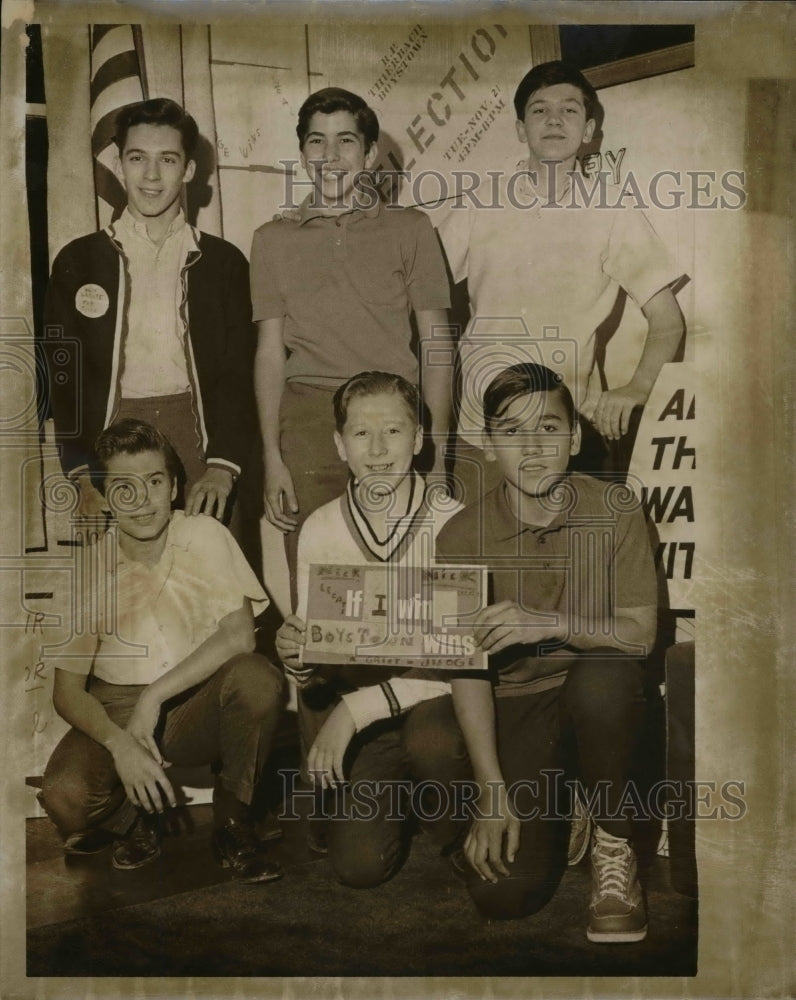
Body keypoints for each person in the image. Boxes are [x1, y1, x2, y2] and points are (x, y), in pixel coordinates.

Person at [434, 363, 658, 941]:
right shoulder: (460, 535)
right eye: (512, 432)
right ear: (488, 444)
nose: (532, 449)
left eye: (549, 429)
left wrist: (548, 623)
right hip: (520, 706)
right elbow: (467, 670)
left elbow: (639, 635)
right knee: (504, 897)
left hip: (595, 694)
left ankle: (614, 840)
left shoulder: (617, 508)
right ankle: (565, 802)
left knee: (606, 679)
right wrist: (491, 790)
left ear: (576, 437)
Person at [39, 420, 284, 882]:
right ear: (106, 496)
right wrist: (120, 744)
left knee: (256, 678)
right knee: (65, 799)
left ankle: (234, 822)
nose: (143, 499)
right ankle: (138, 817)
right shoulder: (88, 566)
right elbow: (67, 692)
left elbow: (240, 637)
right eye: (124, 487)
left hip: (195, 701)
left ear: (174, 486)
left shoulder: (204, 535)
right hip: (117, 706)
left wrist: (153, 699)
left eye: (154, 482)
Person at [437, 60, 685, 503]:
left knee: (571, 563)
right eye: (539, 111)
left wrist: (637, 387)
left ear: (589, 129)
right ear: (519, 128)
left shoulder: (612, 210)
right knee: (479, 561)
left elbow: (667, 322)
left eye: (569, 110)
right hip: (482, 432)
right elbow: (420, 290)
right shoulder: (479, 203)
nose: (554, 120)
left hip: (568, 435)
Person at [250, 87, 453, 602]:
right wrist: (273, 455)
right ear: (303, 154)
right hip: (310, 417)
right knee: (321, 579)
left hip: (393, 411)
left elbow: (436, 342)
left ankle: (404, 684)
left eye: (345, 141)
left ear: (367, 154)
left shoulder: (411, 228)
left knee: (411, 570)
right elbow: (270, 351)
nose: (330, 155)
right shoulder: (271, 239)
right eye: (316, 142)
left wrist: (441, 451)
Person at [275, 372, 466, 888]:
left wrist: (354, 710)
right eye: (362, 433)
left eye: (394, 431)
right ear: (339, 444)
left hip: (436, 708)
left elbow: (463, 661)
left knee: (434, 741)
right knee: (359, 868)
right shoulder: (319, 527)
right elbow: (316, 658)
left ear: (420, 438)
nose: (378, 449)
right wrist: (296, 654)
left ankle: (453, 822)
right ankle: (393, 798)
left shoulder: (454, 521)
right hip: (365, 715)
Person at [44, 98, 256, 524]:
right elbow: (64, 375)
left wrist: (222, 466)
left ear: (190, 170)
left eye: (169, 159)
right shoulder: (78, 259)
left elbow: (239, 374)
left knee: (213, 575)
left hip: (200, 436)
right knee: (123, 582)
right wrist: (82, 474)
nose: (152, 175)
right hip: (112, 435)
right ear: (119, 165)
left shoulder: (224, 262)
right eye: (138, 158)